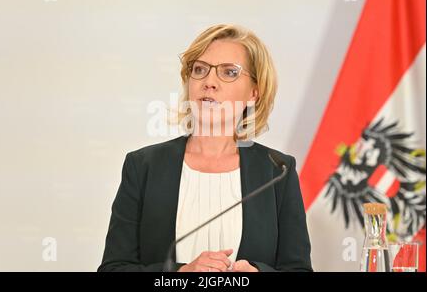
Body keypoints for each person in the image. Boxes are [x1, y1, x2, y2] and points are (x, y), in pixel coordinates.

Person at [98, 24, 312, 272]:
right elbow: (113, 269)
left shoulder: (278, 171)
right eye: (200, 69)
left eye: (229, 72)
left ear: (254, 93)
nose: (209, 81)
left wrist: (258, 272)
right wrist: (180, 274)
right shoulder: (143, 165)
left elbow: (299, 270)